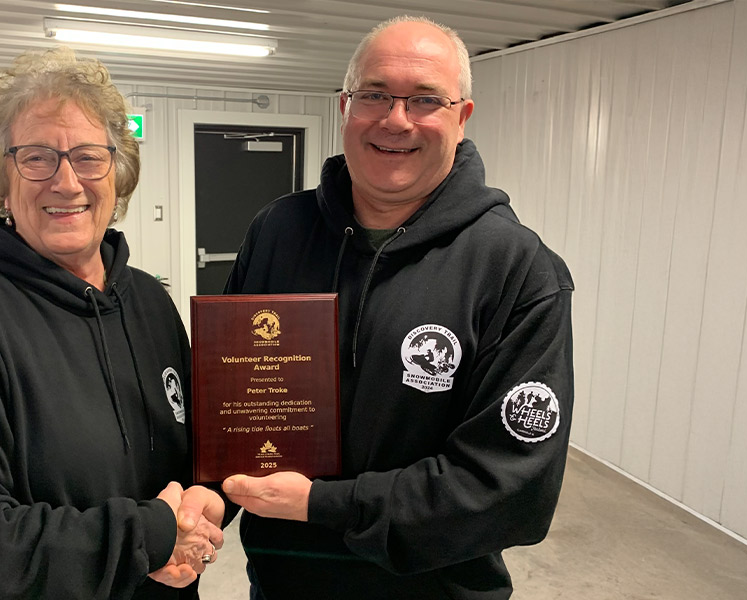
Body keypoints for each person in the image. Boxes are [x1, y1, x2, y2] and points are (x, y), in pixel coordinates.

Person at [220, 16, 575, 600]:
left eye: (425, 100)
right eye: (375, 94)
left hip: (432, 588)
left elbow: (511, 490)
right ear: (345, 106)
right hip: (283, 578)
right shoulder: (279, 231)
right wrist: (210, 493)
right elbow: (231, 401)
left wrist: (323, 505)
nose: (395, 119)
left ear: (461, 117)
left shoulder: (516, 268)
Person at [0, 47, 224, 600]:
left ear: (118, 174)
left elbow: (191, 455)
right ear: (3, 178)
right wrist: (151, 534)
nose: (67, 183)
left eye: (89, 157)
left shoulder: (147, 301)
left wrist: (207, 497)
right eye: (38, 157)